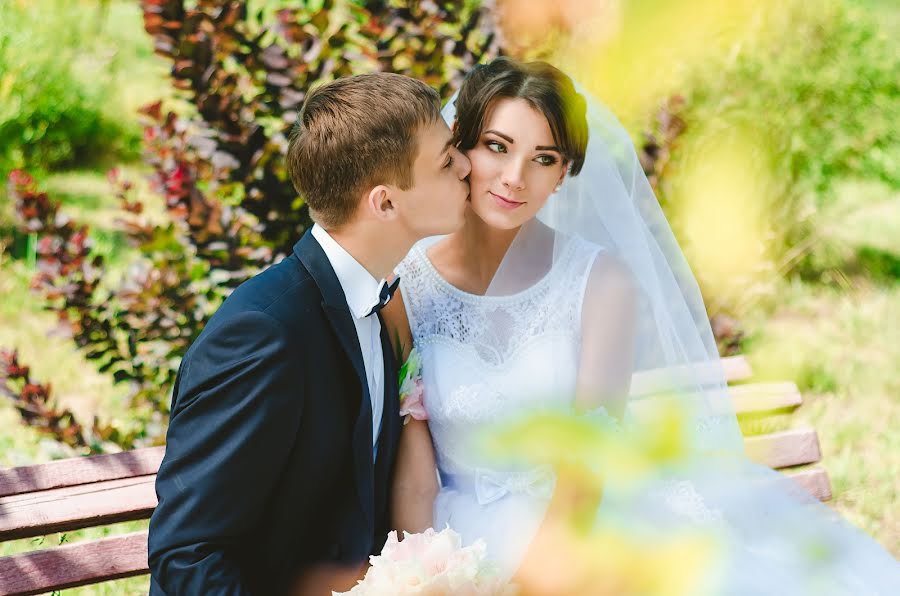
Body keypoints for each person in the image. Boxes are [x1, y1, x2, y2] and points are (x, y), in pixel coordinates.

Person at [383, 57, 900, 594]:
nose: (515, 178)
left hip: (588, 526)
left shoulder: (600, 281)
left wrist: (535, 579)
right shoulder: (408, 286)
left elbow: (588, 465)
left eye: (544, 158)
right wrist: (424, 573)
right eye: (497, 146)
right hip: (461, 537)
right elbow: (415, 469)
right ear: (461, 148)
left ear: (564, 174)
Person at [148, 72, 471, 595]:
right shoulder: (263, 334)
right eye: (446, 160)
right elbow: (188, 553)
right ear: (384, 202)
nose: (467, 166)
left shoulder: (384, 302)